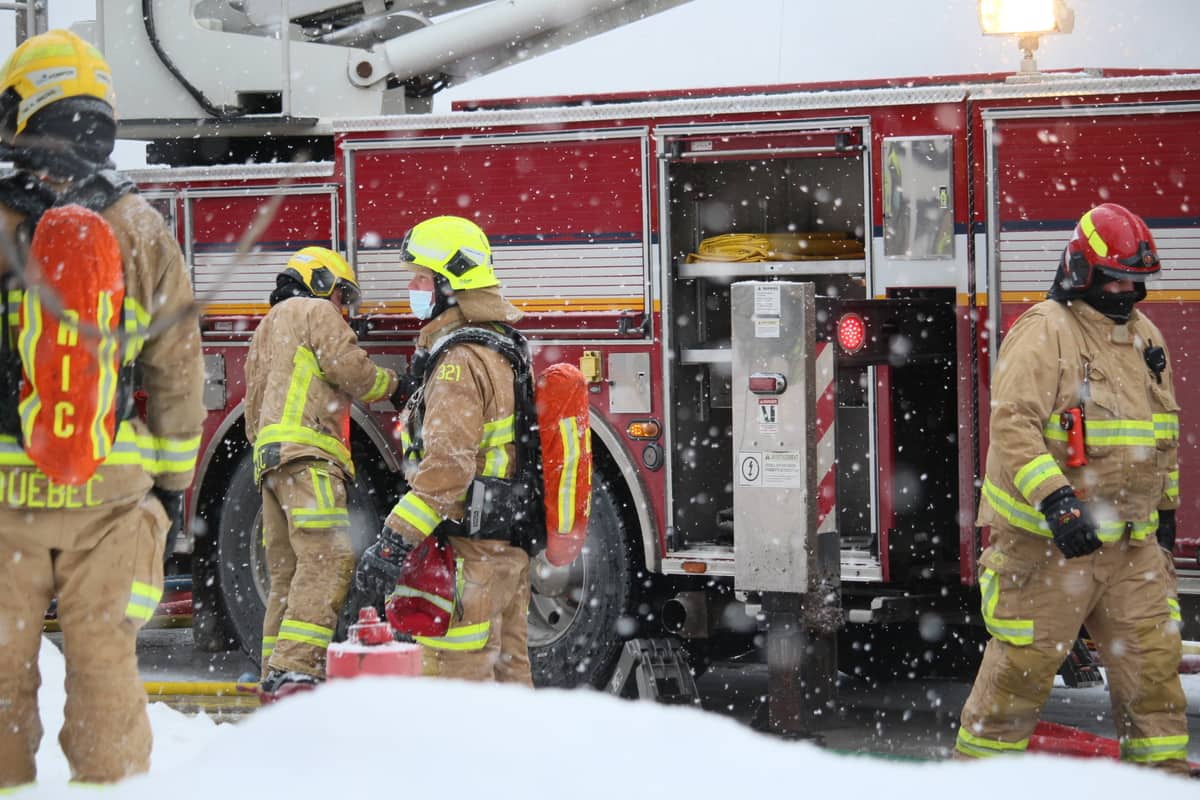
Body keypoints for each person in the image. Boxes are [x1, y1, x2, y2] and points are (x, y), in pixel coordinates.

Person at [0, 30, 205, 786]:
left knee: (2, 673)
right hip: (109, 492)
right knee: (106, 666)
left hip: (6, 495)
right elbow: (176, 369)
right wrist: (173, 489)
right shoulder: (140, 225)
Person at [957, 203, 1189, 776]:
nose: (1127, 292)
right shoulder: (1046, 331)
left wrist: (1164, 514)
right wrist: (1058, 502)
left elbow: (1162, 435)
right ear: (1081, 271)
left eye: (1136, 281)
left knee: (1154, 679)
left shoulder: (1145, 338)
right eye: (1116, 279)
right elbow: (1014, 425)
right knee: (1018, 679)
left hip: (1131, 549)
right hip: (1044, 550)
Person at [355, 215, 534, 684]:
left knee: (455, 695)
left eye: (420, 278)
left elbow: (447, 470)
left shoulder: (459, 362)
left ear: (449, 286)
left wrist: (392, 543)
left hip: (468, 561)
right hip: (503, 553)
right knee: (511, 692)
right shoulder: (501, 346)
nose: (411, 288)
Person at [245, 246, 399, 700]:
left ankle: (273, 673)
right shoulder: (316, 311)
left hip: (270, 466)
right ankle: (295, 672)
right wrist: (396, 384)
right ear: (320, 281)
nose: (343, 307)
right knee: (328, 558)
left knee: (287, 576)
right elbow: (353, 371)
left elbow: (252, 411)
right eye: (341, 295)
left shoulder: (264, 330)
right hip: (309, 459)